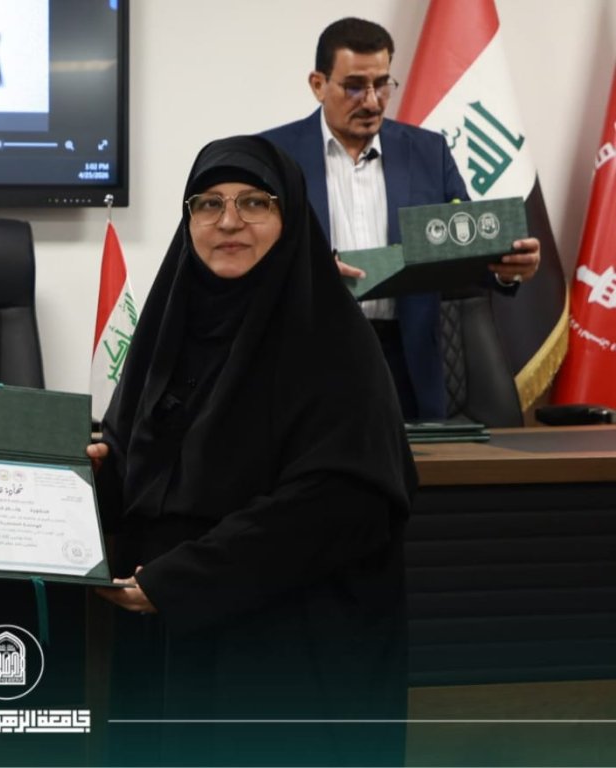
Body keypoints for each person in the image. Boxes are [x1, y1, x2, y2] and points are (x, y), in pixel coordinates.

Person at [88, 136, 416, 767]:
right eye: (208, 203)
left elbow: (340, 503)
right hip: (166, 635)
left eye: (254, 202)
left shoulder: (334, 344)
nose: (229, 221)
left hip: (284, 653)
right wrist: (96, 475)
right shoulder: (167, 329)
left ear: (289, 218)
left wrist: (182, 581)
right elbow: (141, 465)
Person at [261, 17, 541, 421]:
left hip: (404, 360)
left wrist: (507, 266)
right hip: (308, 355)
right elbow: (248, 260)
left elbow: (463, 245)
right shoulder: (272, 154)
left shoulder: (428, 152)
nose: (372, 101)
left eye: (382, 85)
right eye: (354, 86)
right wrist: (308, 272)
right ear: (318, 84)